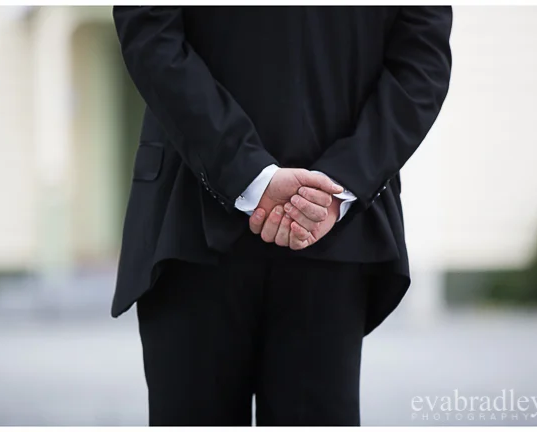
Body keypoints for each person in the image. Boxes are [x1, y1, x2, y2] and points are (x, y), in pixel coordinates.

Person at [112, 6, 452, 426]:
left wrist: (338, 186)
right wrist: (253, 175)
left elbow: (422, 58)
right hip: (191, 221)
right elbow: (150, 29)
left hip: (331, 232)